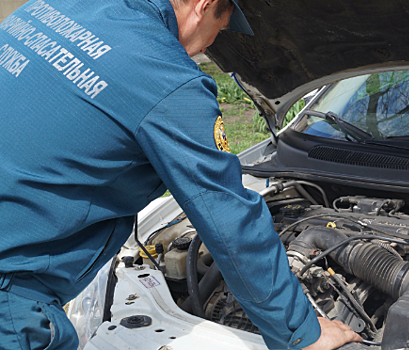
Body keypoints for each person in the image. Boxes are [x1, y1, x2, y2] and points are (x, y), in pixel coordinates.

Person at [0, 0, 361, 349]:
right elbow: (229, 220)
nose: (213, 43)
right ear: (204, 6)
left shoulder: (50, 8)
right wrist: (302, 333)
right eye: (220, 30)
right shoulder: (166, 79)